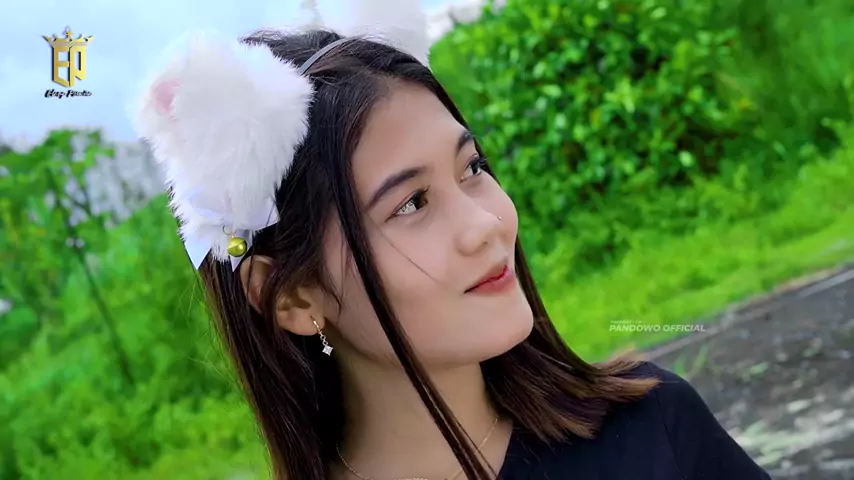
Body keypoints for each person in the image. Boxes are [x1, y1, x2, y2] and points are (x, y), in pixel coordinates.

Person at [131, 1, 773, 479]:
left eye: (472, 169)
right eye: (412, 203)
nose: (486, 223)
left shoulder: (655, 431)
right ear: (293, 297)